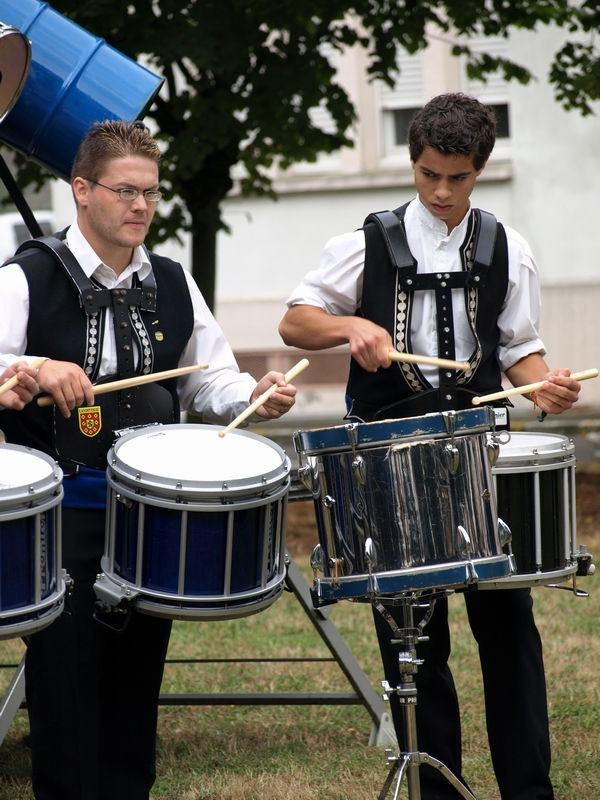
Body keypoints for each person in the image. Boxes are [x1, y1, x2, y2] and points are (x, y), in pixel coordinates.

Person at [279, 93, 581, 800]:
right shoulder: (363, 243)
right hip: (389, 459)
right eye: (427, 175)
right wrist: (349, 327)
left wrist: (542, 389)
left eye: (458, 178)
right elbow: (296, 323)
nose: (441, 192)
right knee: (416, 641)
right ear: (413, 163)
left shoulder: (510, 246)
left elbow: (521, 351)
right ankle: (439, 789)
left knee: (509, 631)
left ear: (480, 169)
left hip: (478, 455)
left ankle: (527, 789)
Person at [0, 119, 297, 800]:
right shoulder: (27, 277)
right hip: (59, 513)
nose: (140, 206)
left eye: (151, 194)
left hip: (151, 514)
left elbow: (206, 379)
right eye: (124, 191)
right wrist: (36, 367)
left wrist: (254, 394)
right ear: (82, 190)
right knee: (67, 685)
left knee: (135, 686)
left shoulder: (170, 280)